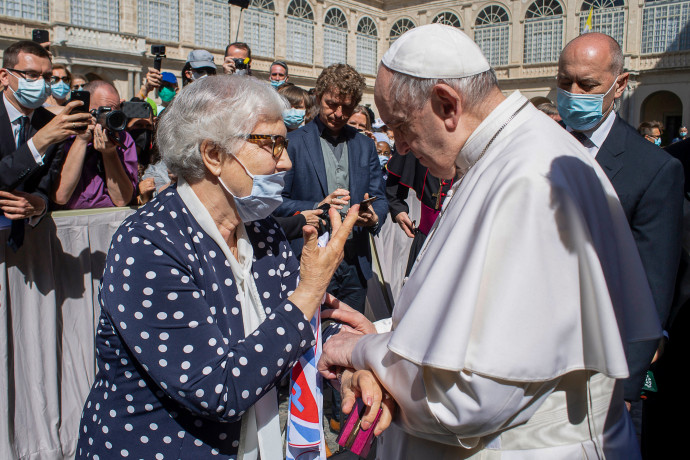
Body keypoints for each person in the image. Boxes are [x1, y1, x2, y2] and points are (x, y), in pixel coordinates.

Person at [318, 24, 662, 458]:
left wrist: (363, 350)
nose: (399, 147)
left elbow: (467, 399)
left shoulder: (527, 177)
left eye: (402, 127)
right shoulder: (503, 155)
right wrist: (387, 333)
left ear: (447, 103)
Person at [75, 75, 390, 460]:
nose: (286, 161)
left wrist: (350, 361)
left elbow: (303, 319)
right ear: (213, 155)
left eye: (285, 143)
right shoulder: (149, 243)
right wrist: (310, 288)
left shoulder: (260, 229)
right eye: (272, 144)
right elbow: (216, 389)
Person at [557, 33, 683, 414]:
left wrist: (627, 388)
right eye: (565, 83)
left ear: (620, 85)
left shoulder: (655, 169)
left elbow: (652, 286)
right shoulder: (536, 145)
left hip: (600, 361)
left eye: (588, 84)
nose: (574, 92)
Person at [274, 64, 388, 314]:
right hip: (311, 259)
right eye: (332, 104)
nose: (338, 113)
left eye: (346, 107)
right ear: (318, 96)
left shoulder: (364, 145)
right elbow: (277, 201)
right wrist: (316, 207)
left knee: (350, 336)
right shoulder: (294, 142)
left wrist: (373, 217)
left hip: (355, 262)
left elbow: (379, 195)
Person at [0, 40, 91, 249]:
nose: (41, 83)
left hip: (31, 243)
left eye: (47, 77)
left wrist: (39, 205)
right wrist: (39, 142)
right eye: (31, 75)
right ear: (5, 76)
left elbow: (45, 186)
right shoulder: (49, 131)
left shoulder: (52, 123)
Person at [52, 81, 139, 209]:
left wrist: (110, 154)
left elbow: (122, 200)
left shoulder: (123, 139)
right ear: (87, 110)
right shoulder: (65, 135)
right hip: (68, 220)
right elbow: (60, 196)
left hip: (108, 218)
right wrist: (82, 140)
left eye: (115, 111)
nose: (110, 118)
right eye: (105, 111)